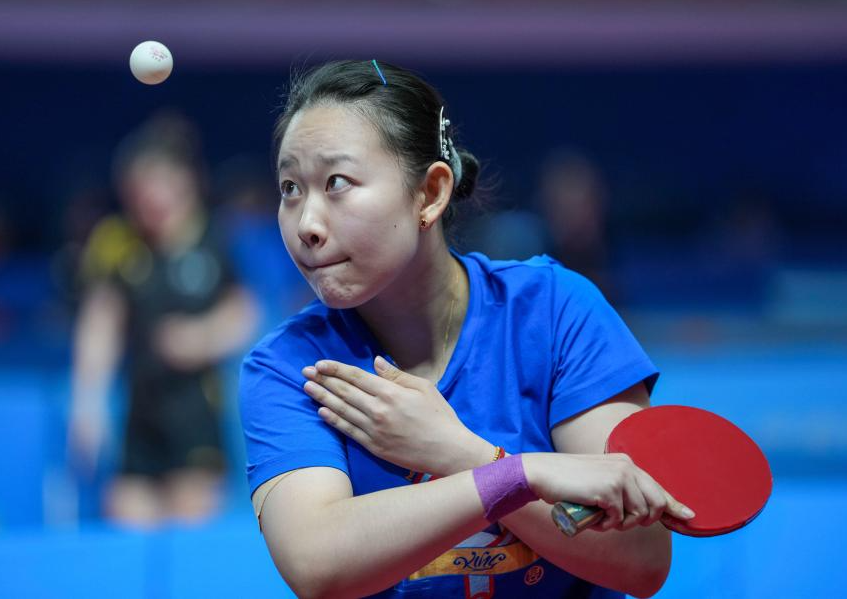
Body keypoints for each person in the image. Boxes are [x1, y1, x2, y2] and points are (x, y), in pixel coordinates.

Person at [239, 61, 693, 598]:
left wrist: (462, 454)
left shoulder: (555, 312)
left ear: (430, 193)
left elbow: (641, 559)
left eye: (337, 183)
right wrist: (521, 476)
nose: (307, 225)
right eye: (291, 188)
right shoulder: (288, 365)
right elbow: (318, 563)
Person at [69, 111, 259, 526]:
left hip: (195, 414)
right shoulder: (118, 240)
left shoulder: (214, 237)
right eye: (138, 189)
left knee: (189, 527)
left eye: (157, 183)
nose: (148, 198)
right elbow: (100, 324)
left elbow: (243, 312)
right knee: (125, 520)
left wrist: (200, 337)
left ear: (183, 181)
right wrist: (88, 401)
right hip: (141, 416)